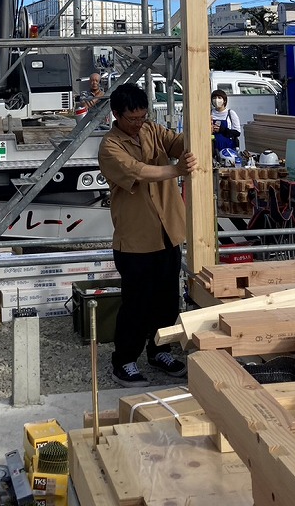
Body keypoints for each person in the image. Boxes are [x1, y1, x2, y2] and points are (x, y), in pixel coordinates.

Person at [98, 82, 196, 388]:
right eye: (133, 119)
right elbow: (139, 172)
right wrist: (177, 169)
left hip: (168, 232)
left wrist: (195, 141)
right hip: (136, 241)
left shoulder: (152, 130)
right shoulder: (110, 147)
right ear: (116, 115)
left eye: (142, 117)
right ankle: (124, 360)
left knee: (167, 300)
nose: (139, 123)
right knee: (136, 304)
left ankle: (160, 350)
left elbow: (177, 143)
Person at [211, 89, 242, 156]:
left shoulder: (230, 113)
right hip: (212, 148)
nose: (216, 100)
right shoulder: (209, 113)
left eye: (219, 98)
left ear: (224, 100)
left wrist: (222, 130)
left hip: (228, 148)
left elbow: (237, 133)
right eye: (214, 98)